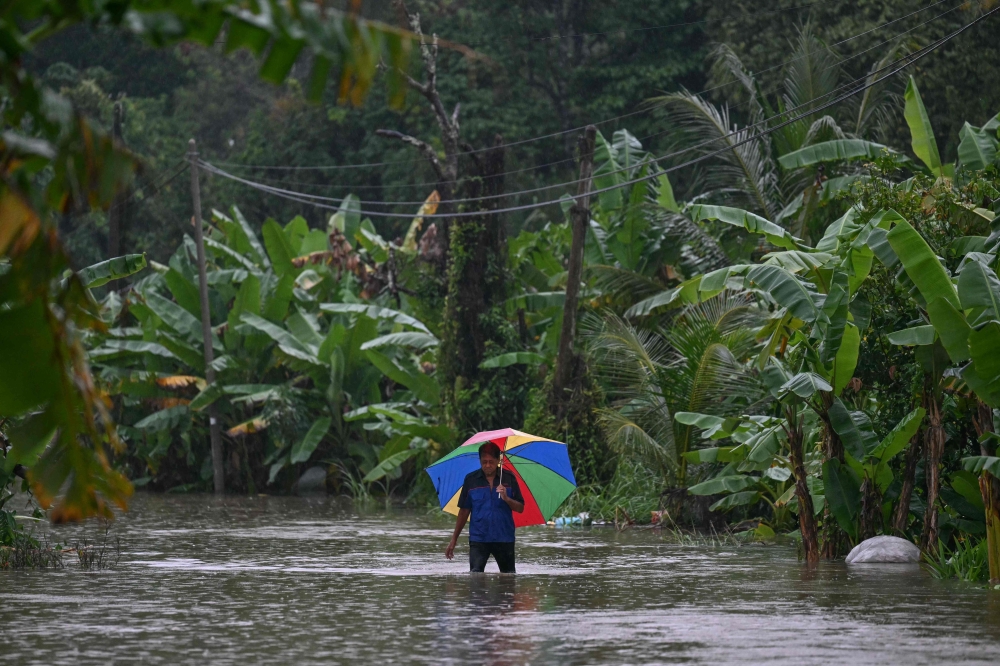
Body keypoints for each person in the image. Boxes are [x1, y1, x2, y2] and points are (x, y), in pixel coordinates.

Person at [445, 441, 525, 572]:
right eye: (484, 462)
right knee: (475, 577)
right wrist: (454, 540)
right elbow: (464, 511)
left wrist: (506, 498)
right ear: (480, 460)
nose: (487, 465)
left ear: (498, 460)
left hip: (504, 537)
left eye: (491, 462)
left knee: (508, 579)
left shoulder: (509, 479)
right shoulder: (471, 480)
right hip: (479, 538)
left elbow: (520, 508)